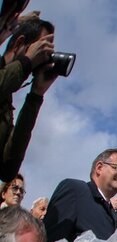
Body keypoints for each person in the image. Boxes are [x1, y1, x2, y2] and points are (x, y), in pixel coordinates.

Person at [0, 17, 58, 182]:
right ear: (19, 43)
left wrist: (36, 96)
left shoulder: (6, 100)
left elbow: (7, 169)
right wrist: (26, 62)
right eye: (40, 50)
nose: (41, 59)